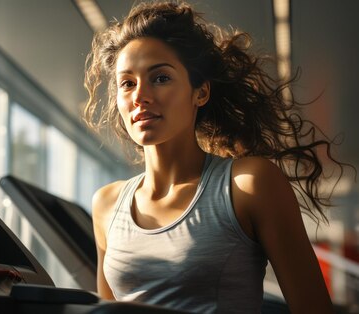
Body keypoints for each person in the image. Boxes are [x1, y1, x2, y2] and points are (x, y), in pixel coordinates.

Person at [83, 1, 349, 313]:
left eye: (160, 78)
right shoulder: (107, 204)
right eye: (127, 83)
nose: (139, 96)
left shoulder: (249, 184)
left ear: (201, 92)